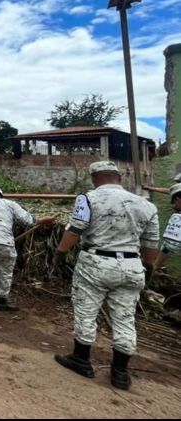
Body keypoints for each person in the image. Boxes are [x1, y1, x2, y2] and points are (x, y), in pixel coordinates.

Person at [53, 161, 159, 391]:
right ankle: (120, 372)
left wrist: (60, 253)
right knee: (125, 318)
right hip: (132, 266)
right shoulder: (146, 205)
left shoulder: (88, 198)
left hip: (96, 263)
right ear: (118, 178)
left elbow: (75, 230)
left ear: (94, 179)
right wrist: (148, 268)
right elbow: (151, 245)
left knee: (86, 310)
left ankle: (81, 360)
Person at [0, 187, 57, 324]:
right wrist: (43, 220)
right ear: (1, 196)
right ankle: (1, 300)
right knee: (5, 271)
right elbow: (29, 220)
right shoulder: (10, 204)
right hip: (5, 241)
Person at [149, 183, 181, 283]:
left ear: (178, 200)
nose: (174, 206)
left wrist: (155, 266)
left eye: (174, 203)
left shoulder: (178, 218)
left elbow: (170, 246)